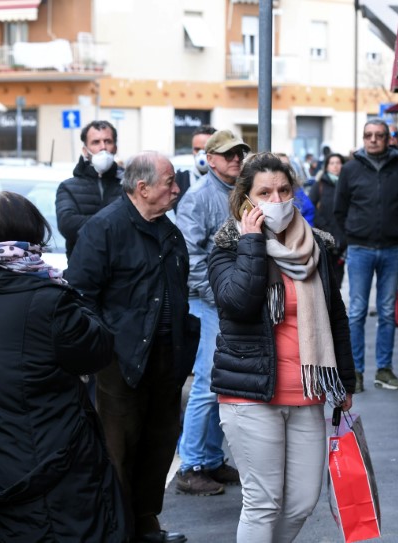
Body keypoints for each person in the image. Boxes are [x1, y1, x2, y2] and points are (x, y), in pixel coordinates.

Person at [0, 192, 126, 542]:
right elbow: (96, 350)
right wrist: (76, 297)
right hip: (47, 468)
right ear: (31, 235)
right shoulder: (48, 298)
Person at [208, 152, 355, 542]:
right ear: (246, 200)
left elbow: (335, 317)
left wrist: (346, 383)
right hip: (251, 394)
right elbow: (238, 303)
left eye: (284, 190)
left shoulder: (316, 246)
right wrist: (252, 243)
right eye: (265, 192)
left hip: (308, 393)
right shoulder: (228, 246)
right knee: (263, 501)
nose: (277, 200)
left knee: (302, 501)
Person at [65, 152, 197, 543]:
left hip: (166, 358)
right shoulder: (104, 228)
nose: (176, 189)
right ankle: (119, 532)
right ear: (142, 188)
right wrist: (106, 347)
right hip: (120, 361)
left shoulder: (168, 231)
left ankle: (146, 523)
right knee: (119, 451)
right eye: (169, 182)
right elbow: (79, 296)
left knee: (158, 445)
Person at [174, 130, 248, 496]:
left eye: (239, 153)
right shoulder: (198, 198)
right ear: (210, 158)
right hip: (210, 303)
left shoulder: (239, 193)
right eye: (228, 154)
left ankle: (210, 459)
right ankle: (190, 464)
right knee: (206, 384)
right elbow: (191, 258)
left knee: (221, 383)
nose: (235, 158)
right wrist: (221, 295)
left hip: (229, 301)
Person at [334, 118, 398, 392]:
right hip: (359, 249)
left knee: (386, 311)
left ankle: (384, 370)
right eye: (368, 135)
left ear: (388, 138)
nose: (373, 139)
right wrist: (348, 240)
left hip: (393, 249)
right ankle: (355, 373)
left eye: (379, 135)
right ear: (363, 138)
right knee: (357, 311)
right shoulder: (349, 170)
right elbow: (339, 210)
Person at [55, 120, 123, 258]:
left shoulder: (128, 185)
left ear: (115, 147)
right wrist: (116, 223)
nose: (103, 147)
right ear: (85, 151)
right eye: (96, 142)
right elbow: (67, 225)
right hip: (83, 271)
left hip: (123, 271)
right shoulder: (68, 187)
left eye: (108, 141)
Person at [309, 152, 347, 286]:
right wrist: (323, 227)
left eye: (338, 163)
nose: (335, 166)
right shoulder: (319, 185)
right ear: (326, 166)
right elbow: (311, 208)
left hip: (342, 239)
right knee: (323, 279)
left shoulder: (347, 184)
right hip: (323, 237)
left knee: (337, 279)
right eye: (332, 163)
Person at [174, 125, 217, 211]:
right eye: (197, 149)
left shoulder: (226, 182)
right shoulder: (180, 180)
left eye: (206, 150)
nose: (201, 154)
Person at [278, 153, 315, 226]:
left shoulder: (296, 187)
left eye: (288, 165)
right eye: (281, 165)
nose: (286, 169)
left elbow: (308, 209)